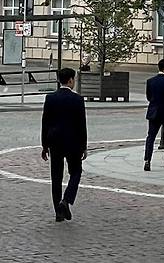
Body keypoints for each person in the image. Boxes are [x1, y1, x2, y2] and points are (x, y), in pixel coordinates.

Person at [41, 68, 87, 222]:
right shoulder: (78, 100)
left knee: (56, 176)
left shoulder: (50, 98)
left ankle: (58, 212)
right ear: (70, 80)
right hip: (73, 142)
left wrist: (44, 145)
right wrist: (84, 146)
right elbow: (82, 125)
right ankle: (66, 200)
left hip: (55, 141)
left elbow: (45, 123)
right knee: (76, 172)